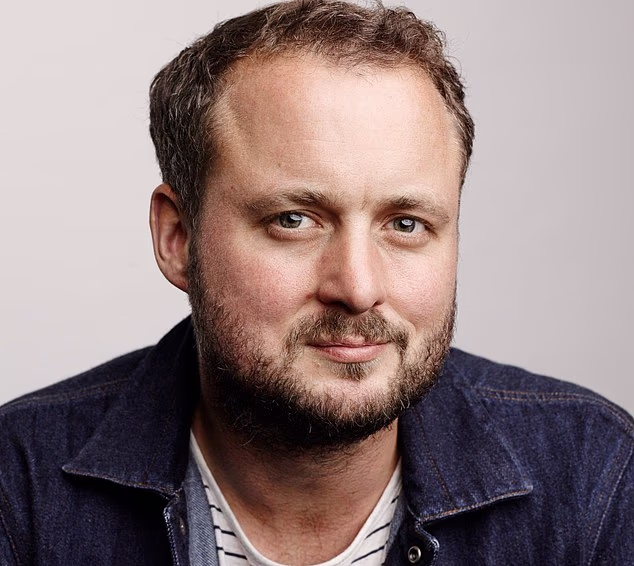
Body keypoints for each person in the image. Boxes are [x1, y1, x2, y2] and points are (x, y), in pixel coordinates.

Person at [1, 0, 632, 564]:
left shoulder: (594, 478)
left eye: (405, 224)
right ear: (178, 238)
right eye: (294, 220)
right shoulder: (17, 485)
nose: (357, 288)